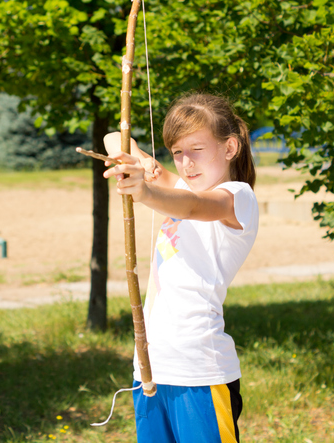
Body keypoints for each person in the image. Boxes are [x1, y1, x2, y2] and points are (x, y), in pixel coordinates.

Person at [103, 93, 258, 443]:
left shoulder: (237, 197)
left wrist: (146, 191)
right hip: (151, 368)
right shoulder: (178, 186)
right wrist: (141, 163)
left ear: (230, 147)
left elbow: (191, 205)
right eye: (177, 152)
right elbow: (114, 138)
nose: (186, 163)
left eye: (197, 149)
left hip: (201, 372)